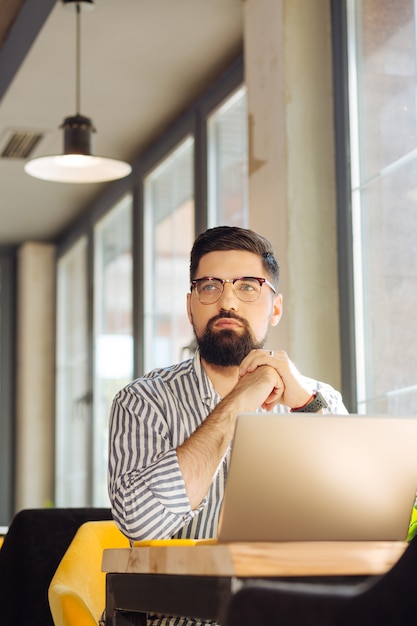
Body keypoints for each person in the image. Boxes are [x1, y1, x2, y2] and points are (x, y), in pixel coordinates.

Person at [107, 226, 347, 625]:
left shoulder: (317, 399)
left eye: (248, 286)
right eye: (209, 287)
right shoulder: (142, 401)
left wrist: (306, 404)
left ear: (275, 307)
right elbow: (140, 523)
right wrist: (241, 399)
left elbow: (356, 520)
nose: (227, 301)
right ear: (190, 306)